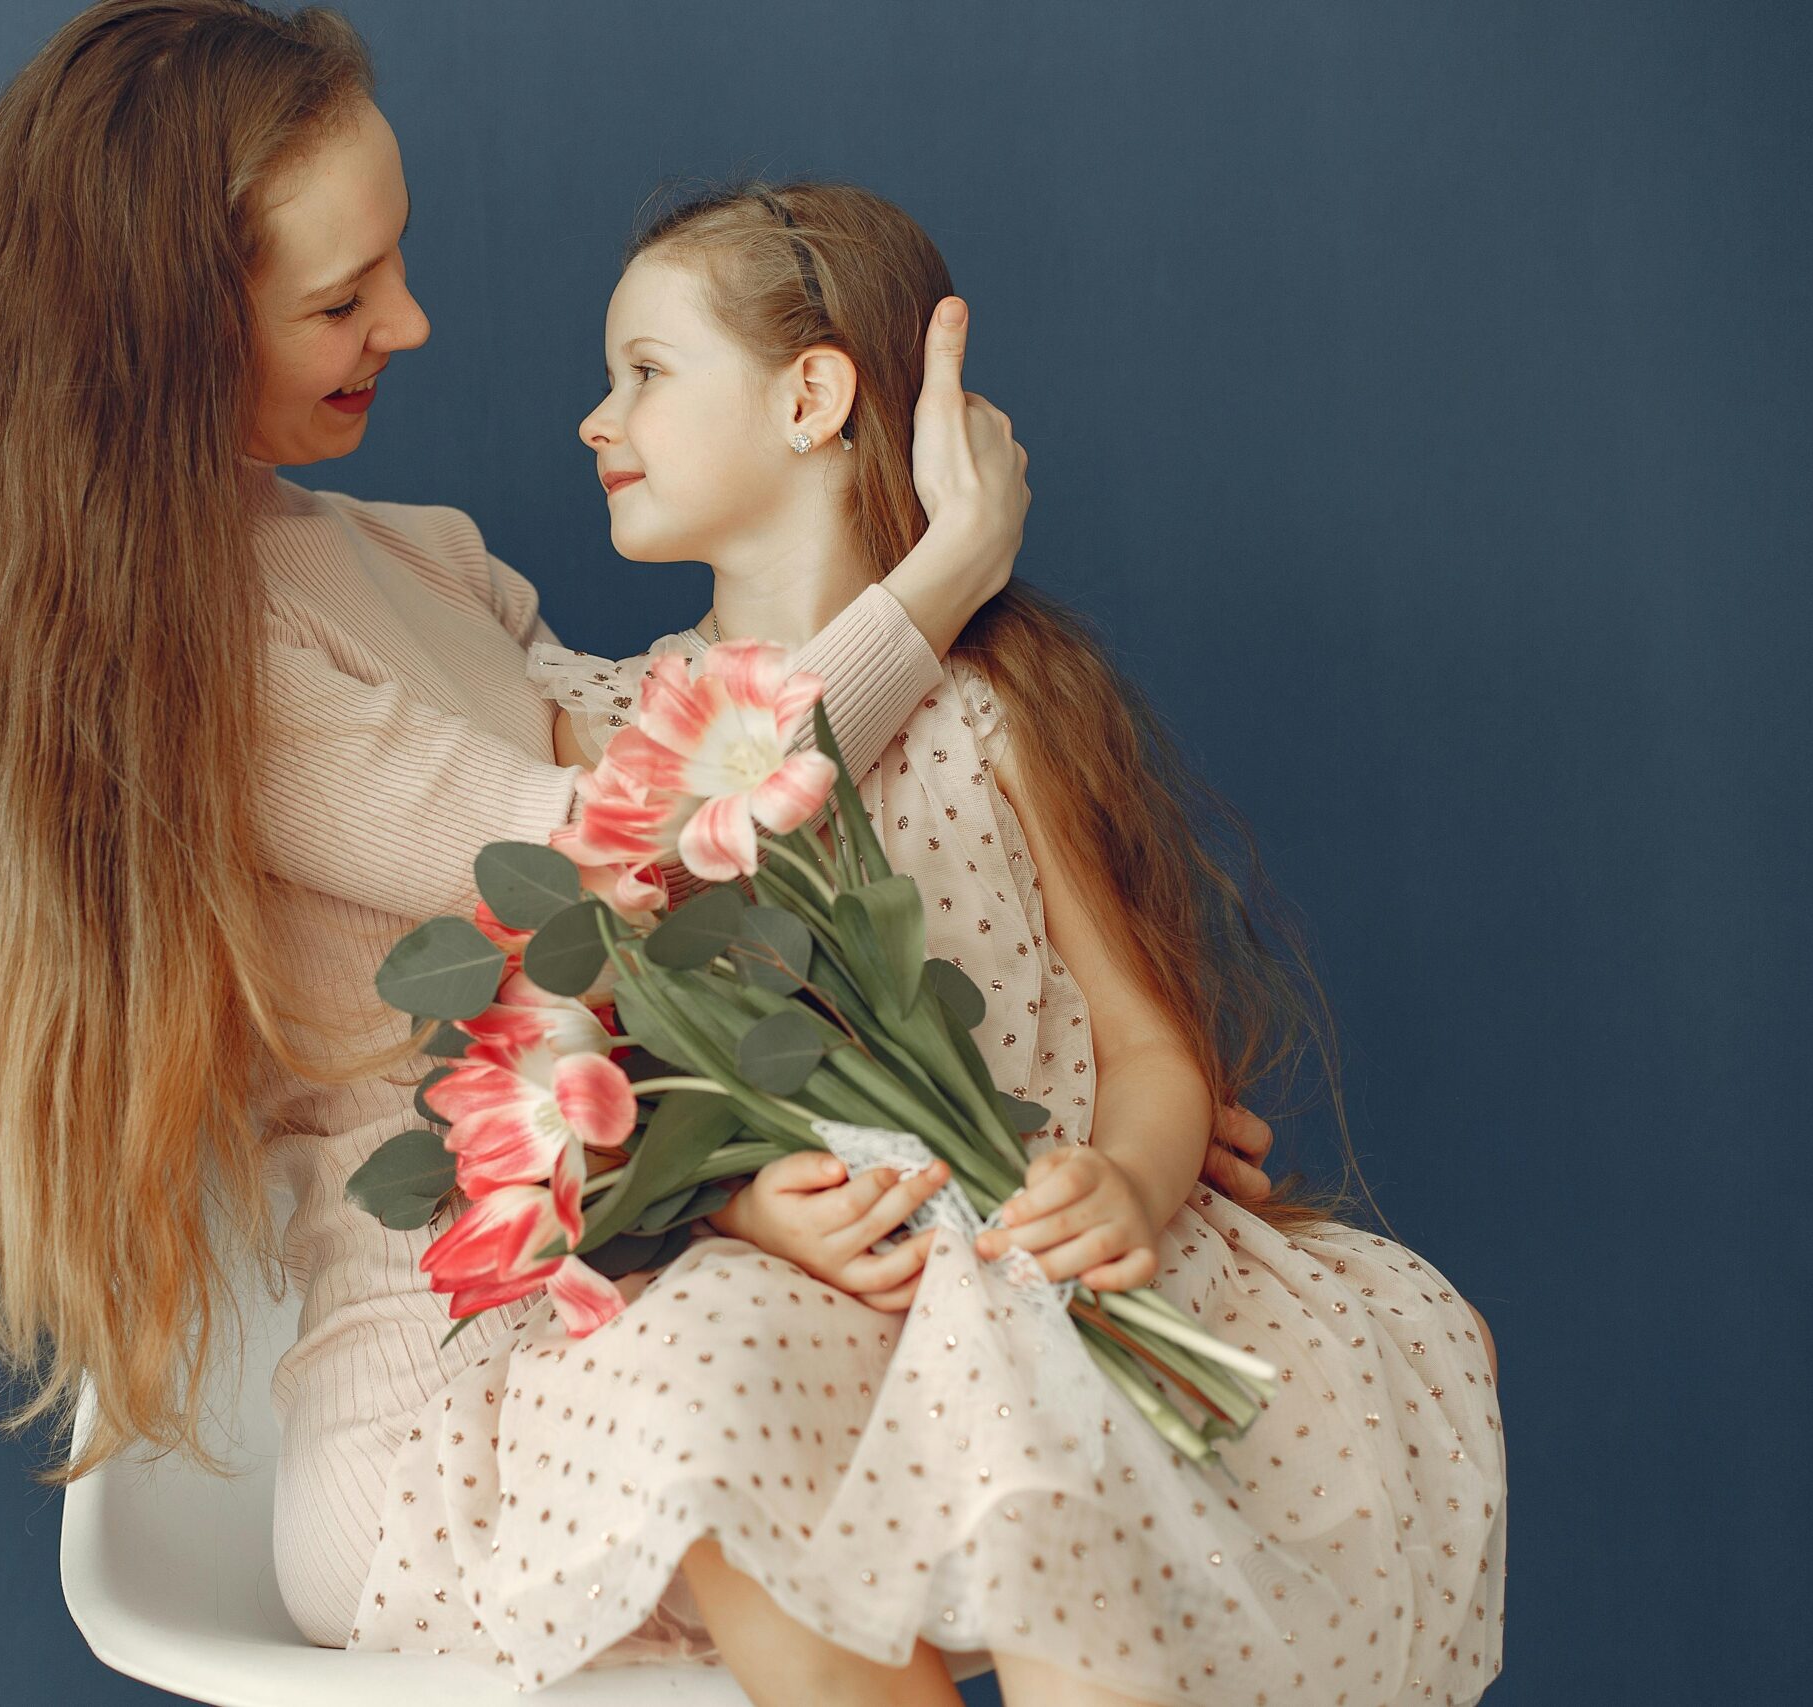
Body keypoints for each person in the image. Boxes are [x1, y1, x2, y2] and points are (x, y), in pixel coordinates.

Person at [0, 0, 1281, 1683]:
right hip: (469, 1398)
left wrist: (1094, 1110)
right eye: (340, 299)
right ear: (162, 331)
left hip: (658, 1278)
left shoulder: (421, 558)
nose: (413, 321)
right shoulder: (189, 666)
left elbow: (693, 751)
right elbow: (627, 854)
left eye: (399, 261)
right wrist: (943, 572)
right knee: (772, 1454)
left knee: (1028, 1403)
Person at [348, 181, 1507, 1706]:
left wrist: (1129, 1181)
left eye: (644, 369)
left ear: (812, 395)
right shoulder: (604, 733)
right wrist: (751, 1209)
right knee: (681, 1381)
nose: (595, 416)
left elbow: (1155, 1043)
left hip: (1016, 1263)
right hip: (792, 1298)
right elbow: (612, 1087)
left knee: (1052, 1391)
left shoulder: (993, 709)